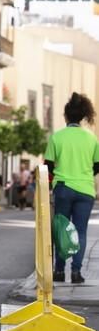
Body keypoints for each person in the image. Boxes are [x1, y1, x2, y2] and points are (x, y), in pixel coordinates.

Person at [45, 92, 99, 284]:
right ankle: (76, 273)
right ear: (84, 116)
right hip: (85, 190)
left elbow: (48, 166)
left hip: (63, 188)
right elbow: (98, 165)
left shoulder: (57, 137)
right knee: (81, 231)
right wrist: (84, 176)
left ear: (66, 116)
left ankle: (59, 271)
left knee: (62, 229)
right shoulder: (91, 138)